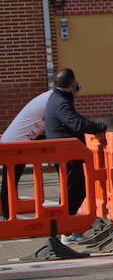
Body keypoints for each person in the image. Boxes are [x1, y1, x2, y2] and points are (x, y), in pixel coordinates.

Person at [44, 69, 108, 235]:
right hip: (67, 155)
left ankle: (66, 228)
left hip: (66, 154)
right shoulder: (60, 101)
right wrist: (99, 127)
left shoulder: (56, 98)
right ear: (72, 83)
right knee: (72, 192)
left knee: (74, 191)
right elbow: (76, 123)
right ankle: (64, 230)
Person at [1, 88, 52, 218]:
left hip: (17, 140)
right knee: (11, 181)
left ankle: (8, 213)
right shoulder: (54, 99)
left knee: (10, 181)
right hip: (16, 144)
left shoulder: (48, 98)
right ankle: (8, 214)